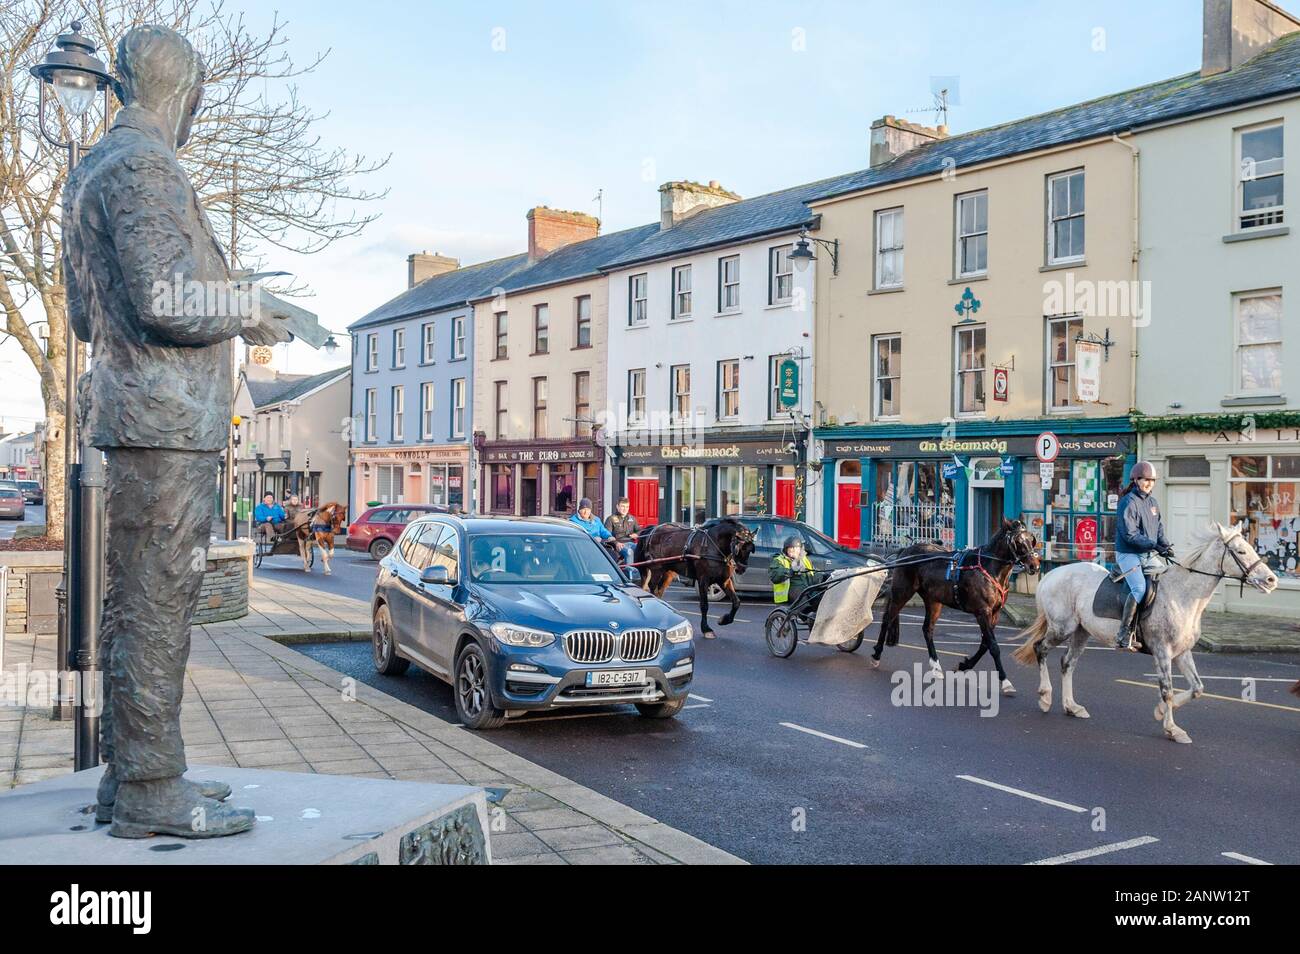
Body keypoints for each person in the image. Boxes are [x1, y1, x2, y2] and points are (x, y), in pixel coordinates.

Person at [63, 24, 287, 837]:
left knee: (134, 604)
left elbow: (89, 316)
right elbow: (166, 299)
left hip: (131, 415)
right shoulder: (147, 166)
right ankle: (154, 788)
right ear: (185, 93)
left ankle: (131, 776)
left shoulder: (88, 171)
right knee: (160, 605)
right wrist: (256, 306)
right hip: (166, 422)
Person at [1114, 460, 1173, 651]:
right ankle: (1124, 634)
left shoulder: (1152, 503)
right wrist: (1154, 545)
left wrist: (1165, 545)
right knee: (1139, 588)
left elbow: (1159, 528)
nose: (1148, 483)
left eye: (1151, 480)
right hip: (1128, 553)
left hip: (1147, 552)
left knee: (1167, 578)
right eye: (1145, 480)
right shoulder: (1128, 502)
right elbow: (1129, 535)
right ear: (1136, 480)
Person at [770, 536, 816, 609]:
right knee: (803, 602)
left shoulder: (804, 559)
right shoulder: (779, 559)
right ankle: (807, 616)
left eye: (796, 548)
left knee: (820, 597)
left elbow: (813, 573)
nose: (794, 550)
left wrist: (825, 576)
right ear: (786, 550)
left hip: (807, 588)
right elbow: (775, 576)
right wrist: (790, 571)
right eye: (791, 548)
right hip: (791, 590)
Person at [604, 497, 640, 565]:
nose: (625, 509)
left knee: (643, 551)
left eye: (627, 507)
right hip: (618, 545)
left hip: (631, 543)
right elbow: (607, 535)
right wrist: (616, 543)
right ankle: (630, 573)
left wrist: (637, 534)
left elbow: (639, 530)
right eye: (622, 506)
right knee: (629, 552)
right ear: (617, 506)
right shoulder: (610, 519)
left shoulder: (632, 518)